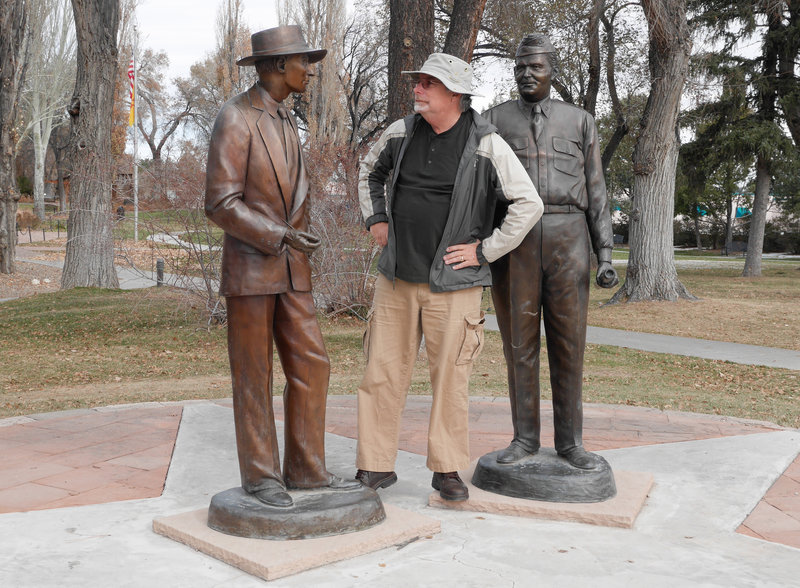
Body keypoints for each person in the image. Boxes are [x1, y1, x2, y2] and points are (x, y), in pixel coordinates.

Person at [356, 53, 544, 501]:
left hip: (455, 287)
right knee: (380, 374)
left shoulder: (485, 142)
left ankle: (446, 471)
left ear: (455, 94)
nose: (418, 89)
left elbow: (528, 203)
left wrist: (485, 250)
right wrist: (376, 219)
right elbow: (370, 173)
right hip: (397, 280)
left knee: (450, 381)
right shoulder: (401, 132)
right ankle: (375, 467)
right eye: (418, 81)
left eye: (428, 84)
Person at [204, 26, 359, 508]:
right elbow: (221, 203)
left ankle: (307, 469)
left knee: (312, 364)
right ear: (276, 66)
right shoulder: (236, 118)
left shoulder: (287, 120)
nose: (309, 70)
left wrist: (295, 237)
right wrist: (280, 235)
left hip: (294, 271)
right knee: (253, 375)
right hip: (252, 270)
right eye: (302, 61)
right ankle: (261, 476)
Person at [482, 33, 619, 470]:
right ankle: (523, 439)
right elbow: (480, 192)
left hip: (569, 237)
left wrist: (606, 255)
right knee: (518, 345)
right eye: (520, 66)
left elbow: (597, 190)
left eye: (535, 67)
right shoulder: (492, 121)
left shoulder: (579, 121)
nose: (526, 74)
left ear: (552, 71)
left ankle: (570, 443)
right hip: (514, 240)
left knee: (568, 344)